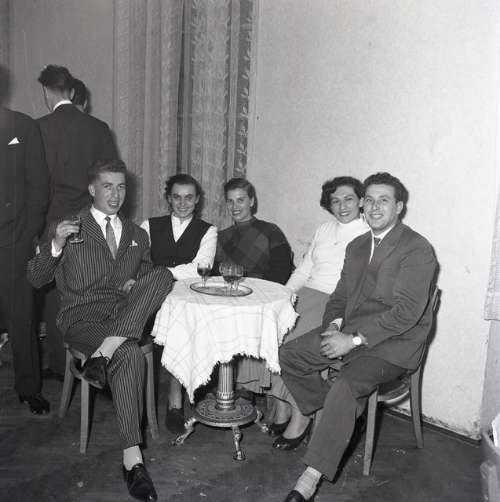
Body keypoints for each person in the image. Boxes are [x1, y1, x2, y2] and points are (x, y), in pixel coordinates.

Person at [279, 172, 437, 502]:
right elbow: (339, 296)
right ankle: (337, 418)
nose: (375, 207)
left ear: (399, 207)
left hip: (395, 345)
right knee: (289, 355)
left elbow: (406, 314)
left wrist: (352, 341)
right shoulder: (357, 245)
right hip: (351, 331)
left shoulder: (417, 249)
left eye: (384, 200)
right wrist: (333, 326)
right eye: (370, 200)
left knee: (347, 383)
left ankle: (310, 477)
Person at [28, 159, 172, 502]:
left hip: (123, 317)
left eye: (121, 187)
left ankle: (132, 456)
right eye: (108, 186)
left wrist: (137, 283)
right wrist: (56, 245)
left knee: (164, 275)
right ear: (92, 189)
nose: (115, 194)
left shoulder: (137, 235)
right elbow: (36, 278)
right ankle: (133, 460)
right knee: (130, 352)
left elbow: (148, 278)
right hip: (82, 320)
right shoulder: (68, 228)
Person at [269, 176, 369, 440]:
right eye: (335, 201)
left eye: (348, 199)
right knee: (268, 333)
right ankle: (282, 406)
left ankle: (302, 414)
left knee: (292, 344)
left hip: (335, 301)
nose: (342, 206)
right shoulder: (324, 229)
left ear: (361, 201)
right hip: (307, 294)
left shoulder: (368, 234)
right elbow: (304, 270)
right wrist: (285, 295)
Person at [37, 64, 118, 379]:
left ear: (47, 92)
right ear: (72, 92)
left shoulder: (38, 128)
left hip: (51, 223)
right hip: (89, 221)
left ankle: (60, 366)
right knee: (91, 288)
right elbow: (111, 181)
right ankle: (93, 359)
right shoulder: (98, 128)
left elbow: (31, 185)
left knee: (52, 293)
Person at [141, 173, 217, 434]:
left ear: (197, 200)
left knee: (181, 326)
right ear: (168, 199)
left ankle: (175, 401)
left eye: (188, 198)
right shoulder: (149, 226)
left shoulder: (208, 231)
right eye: (177, 197)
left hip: (186, 299)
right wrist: (160, 276)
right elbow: (138, 261)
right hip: (151, 297)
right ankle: (137, 399)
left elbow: (201, 268)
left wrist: (161, 272)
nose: (183, 203)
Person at [0, 65, 50, 414]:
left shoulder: (23, 127)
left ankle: (29, 388)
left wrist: (26, 232)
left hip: (13, 241)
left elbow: (39, 188)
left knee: (22, 318)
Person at [216, 177, 293, 395]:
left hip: (263, 298)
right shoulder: (221, 237)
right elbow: (216, 275)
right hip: (232, 299)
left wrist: (253, 288)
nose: (235, 206)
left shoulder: (271, 231)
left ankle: (243, 387)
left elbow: (282, 272)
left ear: (252, 201)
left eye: (240, 200)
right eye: (230, 201)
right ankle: (228, 385)